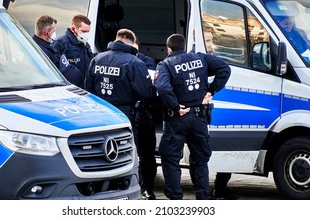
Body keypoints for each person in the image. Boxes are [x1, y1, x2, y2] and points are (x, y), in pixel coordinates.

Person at [154, 33, 231, 200]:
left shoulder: (165, 64)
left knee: (171, 158)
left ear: (169, 49)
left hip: (177, 118)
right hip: (199, 118)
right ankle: (203, 197)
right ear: (184, 47)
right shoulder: (200, 58)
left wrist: (175, 106)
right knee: (200, 159)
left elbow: (163, 88)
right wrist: (211, 90)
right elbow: (224, 69)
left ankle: (176, 199)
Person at [84, 29, 157, 199]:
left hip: (100, 113)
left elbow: (88, 88)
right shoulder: (134, 62)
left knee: (100, 152)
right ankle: (126, 190)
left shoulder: (97, 58)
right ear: (131, 43)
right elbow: (145, 93)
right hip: (124, 114)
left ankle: (101, 190)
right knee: (125, 153)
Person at [132, 40, 158, 200]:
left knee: (147, 154)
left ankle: (147, 188)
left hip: (143, 112)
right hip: (127, 112)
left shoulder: (146, 61)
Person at [51, 14, 93, 88]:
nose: (86, 34)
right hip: (69, 88)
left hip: (84, 87)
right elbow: (52, 67)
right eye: (83, 31)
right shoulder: (60, 43)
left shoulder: (85, 44)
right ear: (73, 29)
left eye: (88, 32)